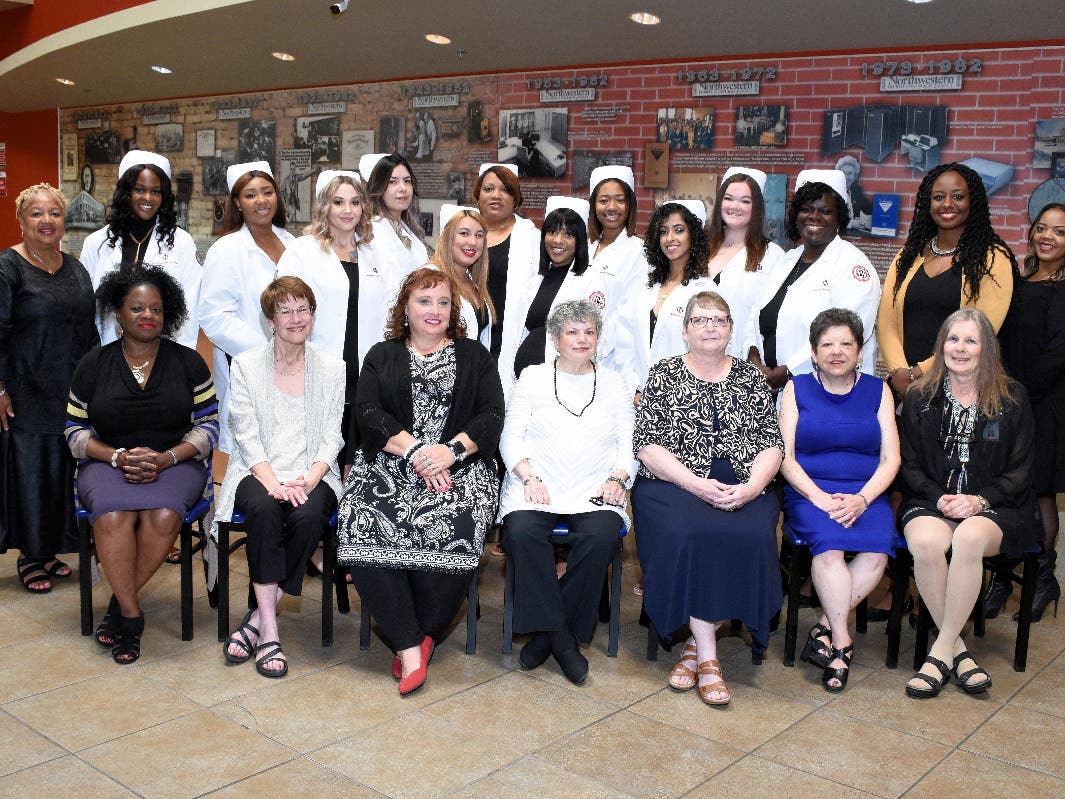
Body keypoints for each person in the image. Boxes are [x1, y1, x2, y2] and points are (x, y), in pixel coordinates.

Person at [338, 267, 503, 695]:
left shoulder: (475, 357)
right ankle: (412, 646)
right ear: (405, 309)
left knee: (460, 523)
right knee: (361, 518)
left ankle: (418, 632)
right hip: (391, 462)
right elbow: (369, 413)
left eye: (443, 302)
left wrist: (449, 452)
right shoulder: (381, 354)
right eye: (424, 301)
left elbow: (491, 416)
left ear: (454, 310)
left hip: (459, 467)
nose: (434, 311)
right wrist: (416, 452)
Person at [632, 291, 784, 706]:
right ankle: (711, 658)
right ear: (685, 330)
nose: (711, 327)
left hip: (742, 483)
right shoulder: (663, 375)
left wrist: (752, 488)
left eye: (719, 319)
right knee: (691, 531)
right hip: (673, 485)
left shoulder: (752, 379)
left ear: (731, 329)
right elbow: (646, 446)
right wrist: (696, 485)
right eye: (700, 320)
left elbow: (772, 444)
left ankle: (695, 650)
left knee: (751, 534)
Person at [65, 267, 218, 663]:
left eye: (156, 309)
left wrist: (168, 457)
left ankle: (118, 602)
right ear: (118, 312)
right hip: (107, 462)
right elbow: (74, 430)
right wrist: (115, 456)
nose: (147, 315)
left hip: (176, 462)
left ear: (168, 315)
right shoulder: (93, 365)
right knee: (112, 516)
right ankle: (131, 616)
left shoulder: (189, 363)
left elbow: (208, 427)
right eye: (137, 308)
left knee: (165, 516)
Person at [899, 308, 1039, 698]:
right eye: (953, 339)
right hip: (932, 499)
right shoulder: (919, 398)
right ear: (941, 345)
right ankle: (957, 652)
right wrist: (939, 498)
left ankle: (939, 650)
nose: (959, 348)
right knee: (926, 543)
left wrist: (979, 500)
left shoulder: (1012, 398)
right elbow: (908, 465)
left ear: (987, 349)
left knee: (970, 538)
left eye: (970, 340)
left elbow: (1022, 470)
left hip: (998, 504)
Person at [215, 277, 345, 678]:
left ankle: (255, 616)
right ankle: (270, 631)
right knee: (264, 511)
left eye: (303, 308)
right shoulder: (247, 364)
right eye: (285, 310)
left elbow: (332, 435)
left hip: (313, 470)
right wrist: (272, 483)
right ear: (270, 319)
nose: (295, 318)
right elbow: (245, 432)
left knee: (308, 517)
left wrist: (308, 480)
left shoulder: (332, 367)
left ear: (312, 314)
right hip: (258, 468)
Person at [499, 300, 635, 684]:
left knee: (602, 535)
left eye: (589, 331)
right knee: (522, 533)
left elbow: (628, 440)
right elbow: (511, 437)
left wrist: (619, 478)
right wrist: (528, 477)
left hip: (595, 486)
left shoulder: (614, 382)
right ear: (555, 340)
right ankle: (563, 638)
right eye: (572, 331)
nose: (582, 338)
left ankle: (548, 636)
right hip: (537, 482)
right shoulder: (532, 377)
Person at [778, 308, 900, 691]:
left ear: (860, 351)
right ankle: (843, 643)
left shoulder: (878, 390)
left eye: (846, 343)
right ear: (813, 352)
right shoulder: (796, 388)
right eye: (826, 344)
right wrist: (819, 498)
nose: (836, 351)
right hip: (810, 493)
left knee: (878, 550)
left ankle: (826, 627)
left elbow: (891, 458)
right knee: (828, 550)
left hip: (865, 494)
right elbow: (785, 456)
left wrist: (863, 500)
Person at [0, 183, 99, 593]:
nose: (46, 221)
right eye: (37, 214)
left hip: (70, 389)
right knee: (31, 472)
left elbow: (89, 332)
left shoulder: (76, 270)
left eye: (54, 213)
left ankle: (52, 549)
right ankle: (31, 555)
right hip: (25, 389)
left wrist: (97, 383)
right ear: (21, 221)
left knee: (62, 470)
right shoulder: (8, 268)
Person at [877, 162, 1016, 401]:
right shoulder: (908, 256)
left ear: (974, 202)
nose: (947, 204)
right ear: (927, 203)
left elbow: (981, 331)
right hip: (904, 391)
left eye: (958, 196)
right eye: (939, 197)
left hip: (961, 389)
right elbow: (886, 322)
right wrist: (901, 373)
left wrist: (920, 373)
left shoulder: (993, 259)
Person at [746, 169, 880, 390]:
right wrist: (753, 357)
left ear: (839, 218)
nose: (814, 217)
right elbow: (755, 313)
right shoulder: (788, 260)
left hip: (827, 391)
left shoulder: (853, 266)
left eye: (825, 211)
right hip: (769, 387)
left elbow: (847, 334)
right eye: (806, 209)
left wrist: (789, 370)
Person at [199, 162, 297, 454]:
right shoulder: (226, 249)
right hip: (248, 363)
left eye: (267, 192)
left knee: (290, 449)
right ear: (237, 203)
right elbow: (215, 318)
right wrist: (269, 350)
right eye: (250, 195)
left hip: (294, 362)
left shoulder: (294, 244)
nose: (261, 201)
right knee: (252, 453)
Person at [998, 203, 1065, 621]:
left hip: (1046, 405)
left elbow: (1059, 353)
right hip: (1011, 401)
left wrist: (1019, 393)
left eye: (1059, 231)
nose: (1047, 237)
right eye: (1042, 228)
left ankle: (1042, 578)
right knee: (1006, 487)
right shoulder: (1021, 283)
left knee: (1038, 489)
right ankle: (1002, 577)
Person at [79, 150, 202, 349]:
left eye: (155, 191)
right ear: (126, 191)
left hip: (163, 352)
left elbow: (190, 309)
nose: (148, 198)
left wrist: (180, 359)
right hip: (107, 351)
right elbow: (86, 306)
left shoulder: (181, 242)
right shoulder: (96, 243)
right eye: (139, 189)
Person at [500, 197, 614, 398]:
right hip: (525, 386)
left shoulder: (591, 280)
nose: (558, 240)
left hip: (566, 386)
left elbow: (598, 338)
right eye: (552, 232)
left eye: (568, 234)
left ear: (579, 240)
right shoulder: (537, 278)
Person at [616, 200, 714, 398]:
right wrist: (634, 386)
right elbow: (625, 340)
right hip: (638, 399)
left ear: (693, 235)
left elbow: (709, 353)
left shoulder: (705, 291)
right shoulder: (645, 287)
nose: (669, 238)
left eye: (679, 230)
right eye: (663, 231)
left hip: (685, 401)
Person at [704, 168, 786, 357]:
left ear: (756, 207)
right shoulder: (701, 249)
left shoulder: (773, 257)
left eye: (745, 201)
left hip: (743, 361)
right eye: (729, 198)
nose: (735, 206)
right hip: (696, 357)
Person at [474, 163, 540, 363]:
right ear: (477, 196)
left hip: (509, 341)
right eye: (488, 189)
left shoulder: (532, 239)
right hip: (467, 336)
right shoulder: (463, 234)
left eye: (505, 189)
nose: (496, 195)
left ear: (516, 199)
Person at [427, 205, 496, 349]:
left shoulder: (471, 281)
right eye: (464, 233)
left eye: (479, 235)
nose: (473, 242)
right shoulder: (430, 279)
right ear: (447, 237)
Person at [586, 166, 646, 314]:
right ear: (594, 205)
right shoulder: (585, 245)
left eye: (620, 200)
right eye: (604, 200)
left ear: (630, 205)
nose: (612, 207)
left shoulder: (640, 252)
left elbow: (631, 311)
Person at [358, 153, 428, 279]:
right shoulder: (370, 232)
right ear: (378, 187)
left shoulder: (407, 230)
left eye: (407, 181)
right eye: (392, 182)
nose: (403, 188)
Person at [834, 155, 873, 234]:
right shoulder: (831, 192)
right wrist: (851, 224)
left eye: (850, 173)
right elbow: (829, 219)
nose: (846, 177)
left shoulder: (856, 191)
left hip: (853, 236)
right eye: (843, 173)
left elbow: (870, 210)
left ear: (855, 176)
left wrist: (867, 218)